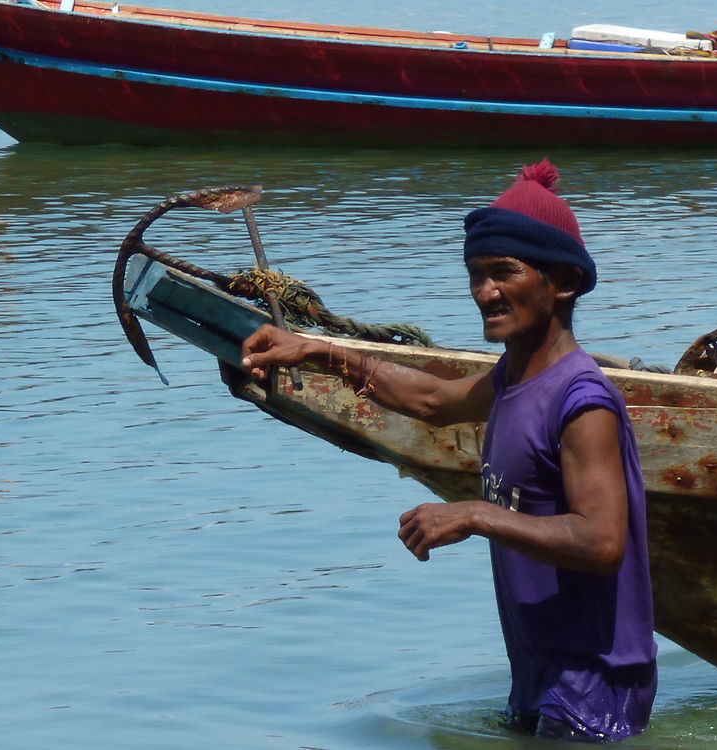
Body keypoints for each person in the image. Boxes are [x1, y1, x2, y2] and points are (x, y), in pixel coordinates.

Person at [239, 160, 657, 742]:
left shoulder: (581, 401)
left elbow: (603, 542)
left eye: (503, 272)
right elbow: (433, 398)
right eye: (475, 274)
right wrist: (315, 351)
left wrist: (474, 512)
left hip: (592, 686)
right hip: (541, 675)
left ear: (562, 283)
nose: (484, 292)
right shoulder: (514, 378)